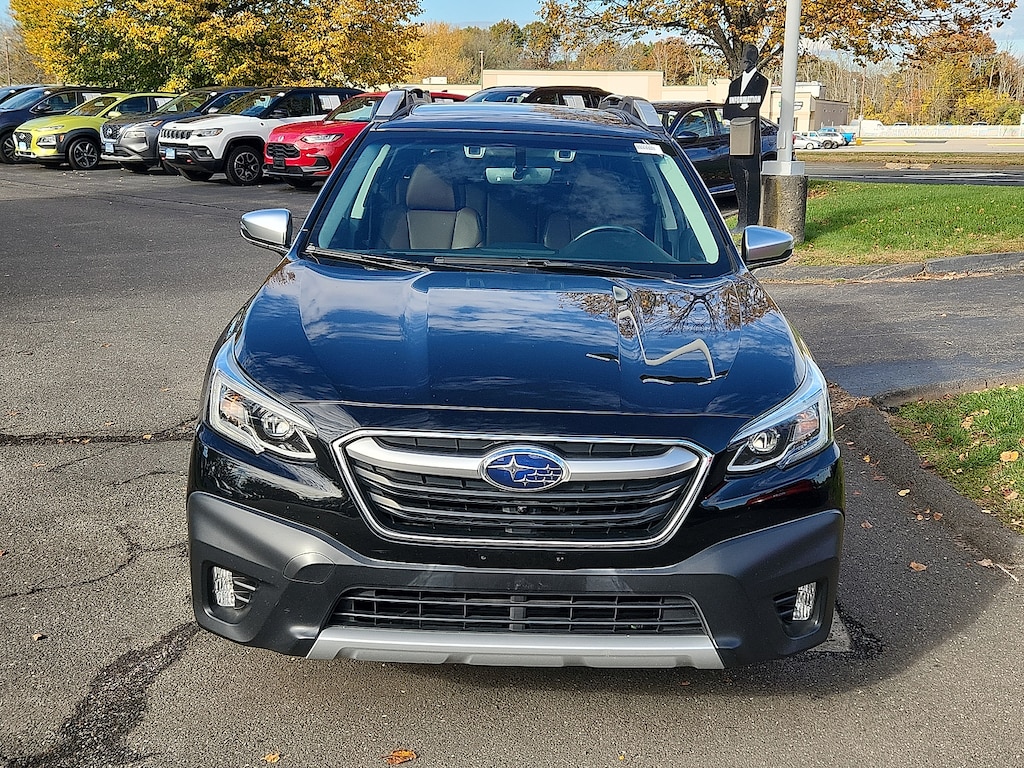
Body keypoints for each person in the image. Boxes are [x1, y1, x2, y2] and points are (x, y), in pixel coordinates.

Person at [723, 44, 769, 231]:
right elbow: (727, 109)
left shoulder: (761, 81)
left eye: (748, 60)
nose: (744, 63)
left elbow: (754, 106)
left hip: (751, 138)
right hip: (736, 137)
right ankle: (741, 219)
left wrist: (741, 107)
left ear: (755, 60)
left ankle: (751, 221)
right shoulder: (734, 84)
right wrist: (741, 106)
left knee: (752, 179)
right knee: (738, 176)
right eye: (743, 59)